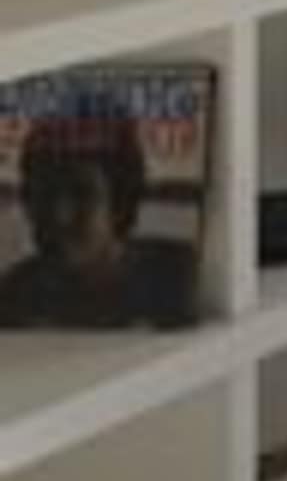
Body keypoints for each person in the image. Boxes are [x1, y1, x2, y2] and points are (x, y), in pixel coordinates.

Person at [0, 113, 202, 329]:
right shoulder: (14, 297)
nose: (60, 215)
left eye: (82, 194)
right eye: (46, 192)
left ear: (120, 203)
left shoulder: (178, 278)